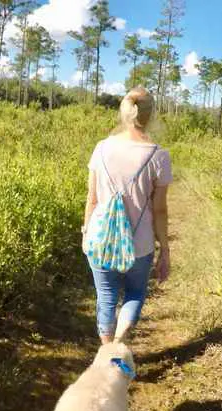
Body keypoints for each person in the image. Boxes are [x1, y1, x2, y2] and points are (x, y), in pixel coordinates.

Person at [82, 87, 173, 344]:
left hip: (100, 238)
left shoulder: (101, 149)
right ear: (150, 115)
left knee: (106, 296)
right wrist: (164, 250)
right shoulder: (158, 156)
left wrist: (85, 231)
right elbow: (160, 210)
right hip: (139, 244)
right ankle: (120, 342)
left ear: (123, 114)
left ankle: (108, 353)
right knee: (134, 293)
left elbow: (92, 199)